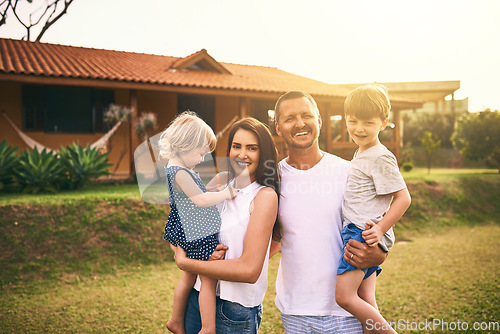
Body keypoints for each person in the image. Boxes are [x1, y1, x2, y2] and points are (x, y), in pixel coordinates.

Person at [273, 91, 388, 334]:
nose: (300, 123)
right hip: (295, 310)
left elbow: (380, 228)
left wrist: (378, 255)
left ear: (319, 121)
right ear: (278, 128)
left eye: (307, 115)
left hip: (346, 313)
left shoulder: (350, 171)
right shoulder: (272, 179)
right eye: (290, 118)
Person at [171, 117, 280, 334]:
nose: (242, 154)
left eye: (252, 148)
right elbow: (185, 223)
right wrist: (188, 251)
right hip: (198, 298)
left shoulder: (263, 196)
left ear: (263, 153)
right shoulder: (221, 181)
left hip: (234, 310)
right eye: (236, 146)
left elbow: (250, 271)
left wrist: (186, 263)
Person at [335, 84, 411, 334]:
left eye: (368, 122)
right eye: (352, 121)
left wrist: (380, 229)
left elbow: (403, 198)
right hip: (361, 230)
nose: (358, 128)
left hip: (362, 233)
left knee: (344, 297)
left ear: (384, 122)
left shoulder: (380, 156)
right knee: (367, 301)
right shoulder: (361, 153)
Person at [159, 111, 237, 334]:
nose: (203, 159)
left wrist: (213, 189)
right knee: (209, 278)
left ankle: (176, 320)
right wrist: (226, 194)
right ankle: (208, 328)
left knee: (188, 276)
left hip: (187, 229)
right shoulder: (181, 173)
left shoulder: (179, 169)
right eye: (201, 153)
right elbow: (201, 200)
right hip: (195, 232)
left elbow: (198, 194)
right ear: (186, 145)